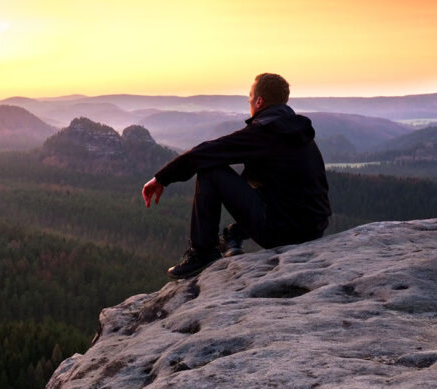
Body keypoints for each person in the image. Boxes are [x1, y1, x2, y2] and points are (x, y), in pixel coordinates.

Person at [141, 73, 331, 279]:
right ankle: (234, 235)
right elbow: (290, 193)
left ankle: (202, 253)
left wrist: (161, 178)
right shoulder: (299, 133)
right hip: (314, 230)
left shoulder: (264, 132)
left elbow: (204, 153)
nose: (248, 101)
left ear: (259, 101)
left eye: (250, 97)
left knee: (210, 169)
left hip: (281, 233)